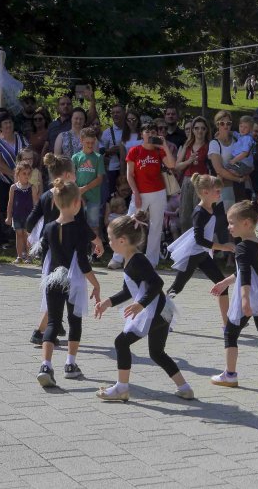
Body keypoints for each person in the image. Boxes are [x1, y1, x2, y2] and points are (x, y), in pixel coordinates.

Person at [93, 211, 191, 401]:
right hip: (160, 311)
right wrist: (108, 302)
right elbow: (128, 291)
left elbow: (157, 283)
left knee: (121, 342)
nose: (108, 241)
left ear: (122, 240)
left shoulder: (138, 260)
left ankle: (122, 388)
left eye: (111, 238)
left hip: (154, 312)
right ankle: (185, 388)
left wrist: (140, 304)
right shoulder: (131, 260)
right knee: (157, 352)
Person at [26, 154, 103, 346]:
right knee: (62, 288)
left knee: (54, 289)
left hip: (49, 249)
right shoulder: (73, 199)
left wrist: (38, 235)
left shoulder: (45, 196)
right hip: (69, 250)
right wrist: (97, 240)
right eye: (75, 173)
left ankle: (55, 325)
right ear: (68, 175)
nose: (76, 177)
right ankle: (40, 331)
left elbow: (29, 222)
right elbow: (82, 226)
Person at [208, 201, 258, 389]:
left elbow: (247, 277)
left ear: (247, 223)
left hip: (249, 298)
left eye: (232, 223)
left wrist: (244, 300)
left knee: (230, 333)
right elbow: (246, 271)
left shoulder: (241, 248)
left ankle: (230, 375)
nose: (229, 227)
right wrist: (225, 282)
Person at [34, 179, 101, 387]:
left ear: (54, 201)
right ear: (77, 204)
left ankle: (45, 365)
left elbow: (44, 255)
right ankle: (70, 364)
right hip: (73, 281)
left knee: (53, 322)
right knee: (74, 321)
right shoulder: (80, 229)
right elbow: (82, 261)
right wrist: (96, 284)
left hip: (53, 278)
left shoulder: (49, 228)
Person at [165, 174, 232, 325]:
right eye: (217, 191)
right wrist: (223, 247)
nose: (219, 194)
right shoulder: (199, 212)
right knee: (176, 288)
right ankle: (161, 318)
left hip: (202, 254)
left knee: (222, 285)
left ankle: (227, 324)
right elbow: (199, 239)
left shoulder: (212, 207)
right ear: (205, 192)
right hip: (192, 255)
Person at [108, 122, 174, 268]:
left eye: (152, 131)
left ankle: (152, 261)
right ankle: (118, 258)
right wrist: (136, 194)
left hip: (158, 192)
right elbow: (130, 175)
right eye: (147, 131)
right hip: (140, 192)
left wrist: (164, 146)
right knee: (129, 223)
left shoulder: (159, 151)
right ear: (141, 134)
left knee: (156, 226)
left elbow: (171, 165)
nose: (150, 134)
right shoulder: (135, 151)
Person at [0, 110, 29, 244]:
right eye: (5, 123)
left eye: (10, 122)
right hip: (2, 180)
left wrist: (20, 176)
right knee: (3, 208)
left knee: (19, 207)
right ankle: (3, 238)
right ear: (0, 126)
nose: (8, 125)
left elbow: (28, 156)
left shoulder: (21, 139)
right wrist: (14, 175)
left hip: (22, 180)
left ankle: (18, 236)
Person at [176, 116, 210, 233]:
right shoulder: (187, 145)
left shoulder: (209, 145)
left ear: (206, 130)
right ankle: (186, 247)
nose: (199, 131)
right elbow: (177, 166)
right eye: (196, 128)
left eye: (203, 128)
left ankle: (199, 245)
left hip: (202, 181)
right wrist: (189, 161)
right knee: (184, 217)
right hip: (187, 180)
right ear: (193, 130)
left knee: (198, 215)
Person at [208, 110, 245, 211]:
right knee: (225, 221)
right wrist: (238, 179)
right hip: (225, 187)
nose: (226, 126)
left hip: (240, 187)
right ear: (217, 125)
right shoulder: (214, 144)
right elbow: (219, 170)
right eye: (222, 123)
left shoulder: (236, 140)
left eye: (228, 123)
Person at [71, 127, 105, 238]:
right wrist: (79, 193)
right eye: (87, 142)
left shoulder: (98, 158)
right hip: (78, 197)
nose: (90, 145)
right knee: (76, 224)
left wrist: (84, 189)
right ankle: (79, 250)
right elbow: (71, 178)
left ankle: (94, 253)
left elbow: (100, 179)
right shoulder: (76, 157)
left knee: (93, 225)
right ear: (81, 141)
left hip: (94, 197)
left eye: (92, 142)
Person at [5, 161, 38, 264]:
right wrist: (8, 217)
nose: (26, 176)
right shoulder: (13, 188)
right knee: (18, 234)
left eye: (28, 174)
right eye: (24, 173)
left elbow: (36, 203)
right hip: (17, 215)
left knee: (27, 235)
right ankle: (19, 256)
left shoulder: (32, 188)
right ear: (17, 174)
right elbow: (10, 203)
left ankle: (28, 256)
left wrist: (36, 217)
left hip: (28, 216)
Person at [100, 104, 127, 198]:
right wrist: (109, 151)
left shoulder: (130, 130)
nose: (115, 115)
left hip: (128, 168)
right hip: (113, 170)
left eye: (118, 112)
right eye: (113, 113)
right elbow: (101, 151)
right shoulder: (107, 132)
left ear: (124, 114)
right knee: (113, 196)